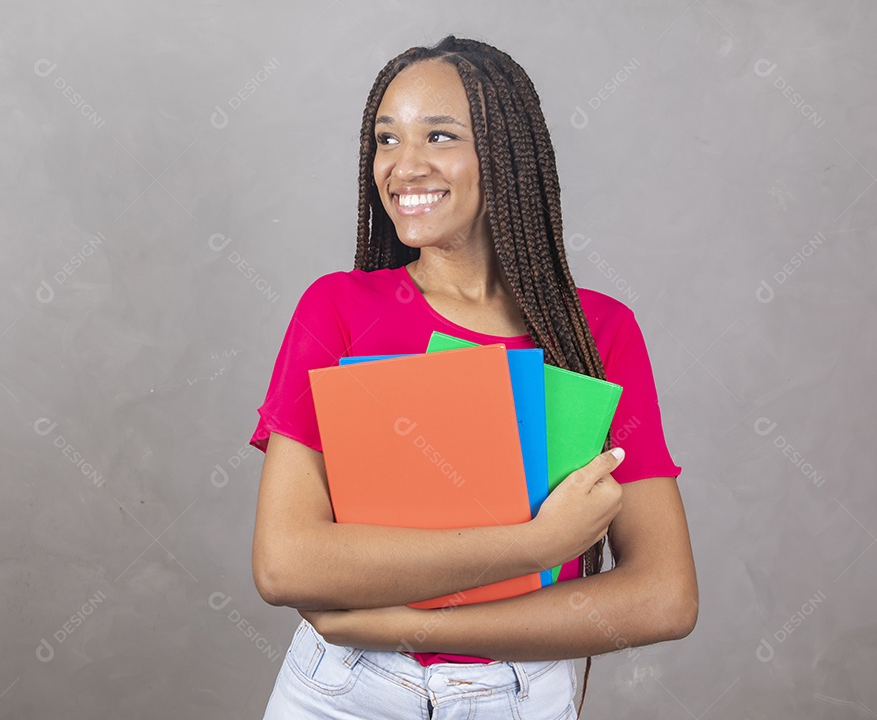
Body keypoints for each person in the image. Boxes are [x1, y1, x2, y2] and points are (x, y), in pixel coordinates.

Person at [249, 35, 698, 719]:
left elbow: (663, 596)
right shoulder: (338, 309)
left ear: (507, 157)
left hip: (518, 696)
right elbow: (286, 563)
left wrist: (391, 620)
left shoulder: (597, 334)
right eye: (386, 139)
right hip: (342, 691)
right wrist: (536, 545)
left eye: (439, 135)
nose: (404, 166)